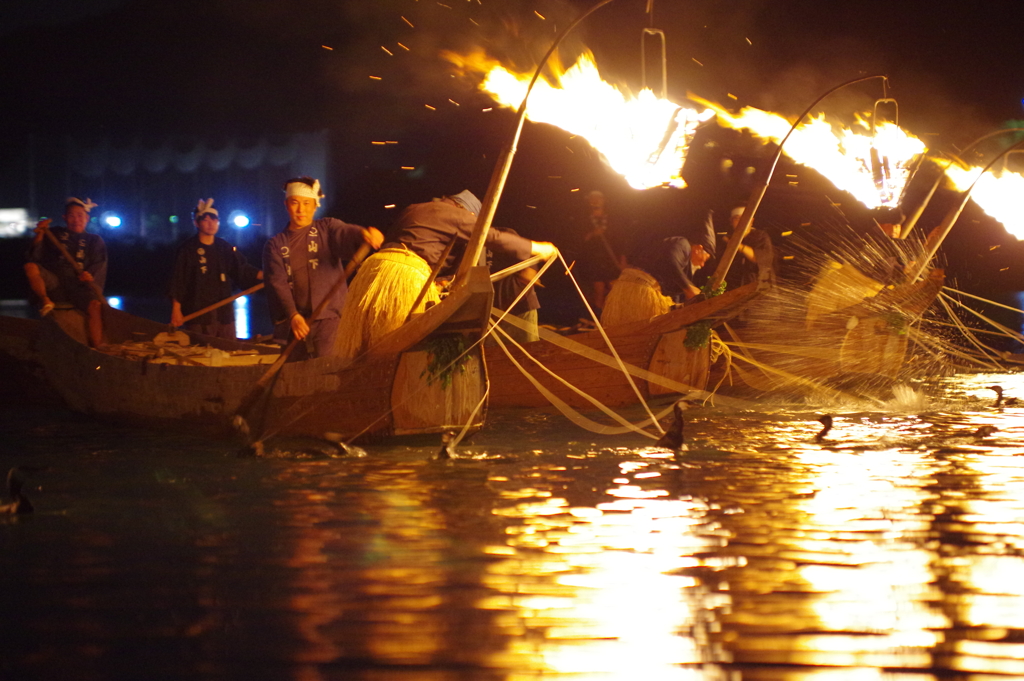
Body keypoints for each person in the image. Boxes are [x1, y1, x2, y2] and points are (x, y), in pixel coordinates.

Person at [335, 190, 557, 360]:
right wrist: (536, 248)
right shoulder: (458, 216)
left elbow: (416, 244)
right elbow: (493, 237)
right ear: (468, 213)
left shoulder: (415, 209)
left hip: (372, 273)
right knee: (397, 343)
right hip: (403, 276)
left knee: (362, 343)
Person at [263, 176, 384, 360]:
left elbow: (345, 232)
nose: (301, 209)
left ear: (314, 205)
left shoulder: (326, 228)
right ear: (287, 205)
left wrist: (363, 234)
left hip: (329, 317)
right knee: (292, 374)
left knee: (327, 367)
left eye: (306, 203)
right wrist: (293, 315)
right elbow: (277, 283)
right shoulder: (275, 244)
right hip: (294, 322)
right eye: (295, 203)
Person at [600, 210, 716, 327]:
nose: (702, 265)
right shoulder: (683, 244)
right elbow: (669, 262)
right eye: (705, 259)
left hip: (628, 291)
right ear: (698, 248)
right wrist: (688, 288)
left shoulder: (680, 258)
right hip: (639, 291)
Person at [169, 198, 263, 339]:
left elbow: (242, 270)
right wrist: (176, 310)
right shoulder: (187, 249)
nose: (211, 224)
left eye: (214, 220)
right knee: (200, 352)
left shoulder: (223, 247)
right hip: (198, 314)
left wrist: (266, 275)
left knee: (228, 350)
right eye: (205, 220)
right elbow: (178, 280)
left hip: (224, 314)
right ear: (196, 223)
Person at [24, 197, 107, 347]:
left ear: (87, 218)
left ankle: (98, 345)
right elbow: (35, 255)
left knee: (95, 305)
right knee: (30, 266)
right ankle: (45, 300)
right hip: (54, 282)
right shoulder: (54, 233)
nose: (76, 219)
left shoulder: (94, 240)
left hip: (78, 285)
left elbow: (98, 264)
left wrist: (89, 276)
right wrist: (41, 233)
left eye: (80, 215)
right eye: (71, 215)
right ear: (64, 218)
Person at [573, 190, 622, 312]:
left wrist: (623, 260)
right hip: (594, 260)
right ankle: (598, 316)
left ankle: (614, 315)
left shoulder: (613, 219)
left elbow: (621, 240)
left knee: (614, 289)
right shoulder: (583, 220)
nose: (595, 201)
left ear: (603, 201)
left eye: (598, 198)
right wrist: (592, 234)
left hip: (611, 259)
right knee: (598, 289)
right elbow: (578, 240)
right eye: (592, 199)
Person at [727, 205, 776, 288]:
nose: (741, 221)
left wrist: (738, 246)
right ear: (731, 222)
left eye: (745, 218)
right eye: (737, 218)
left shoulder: (760, 236)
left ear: (752, 221)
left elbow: (761, 258)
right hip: (733, 289)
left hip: (760, 287)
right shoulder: (727, 241)